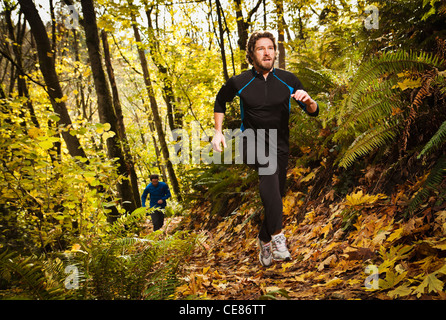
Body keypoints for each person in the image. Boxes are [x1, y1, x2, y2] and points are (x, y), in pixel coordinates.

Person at [211, 31, 319, 267]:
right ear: (252, 53)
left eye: (270, 47)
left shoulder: (288, 80)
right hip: (250, 141)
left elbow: (313, 111)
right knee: (268, 171)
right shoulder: (240, 82)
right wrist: (218, 131)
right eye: (261, 48)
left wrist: (310, 101)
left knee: (275, 197)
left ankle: (263, 239)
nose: (267, 52)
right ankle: (279, 238)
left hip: (280, 145)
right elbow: (221, 100)